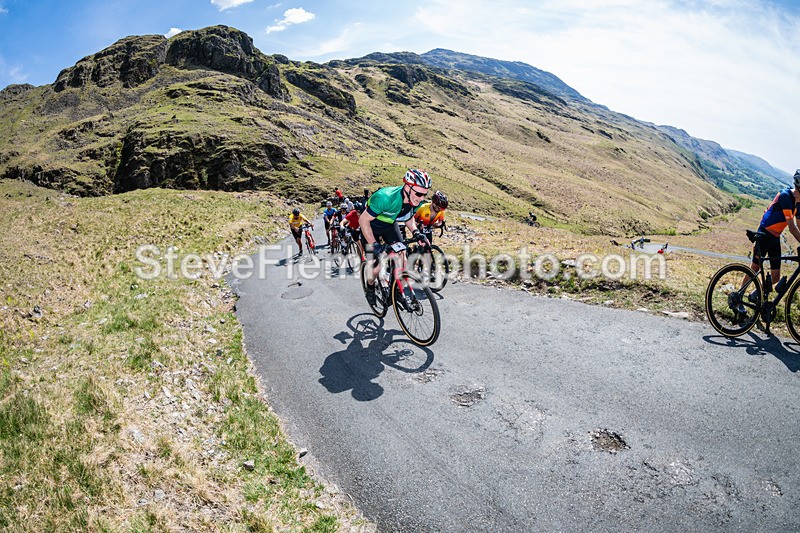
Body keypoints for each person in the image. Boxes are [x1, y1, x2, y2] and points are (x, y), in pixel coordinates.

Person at [359, 169, 431, 304]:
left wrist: (416, 232)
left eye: (424, 194)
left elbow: (409, 218)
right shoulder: (385, 197)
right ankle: (370, 287)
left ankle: (398, 292)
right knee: (376, 266)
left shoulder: (415, 200)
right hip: (370, 227)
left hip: (390, 225)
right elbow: (363, 221)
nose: (421, 198)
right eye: (419, 194)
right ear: (407, 187)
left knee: (402, 255)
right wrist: (374, 244)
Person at [741, 170, 800, 300]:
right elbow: (792, 228)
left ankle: (754, 296)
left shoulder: (799, 204)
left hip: (775, 238)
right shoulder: (786, 197)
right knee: (754, 269)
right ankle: (737, 298)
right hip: (764, 234)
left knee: (775, 277)